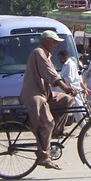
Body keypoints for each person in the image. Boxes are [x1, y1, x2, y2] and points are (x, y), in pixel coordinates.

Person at [19, 30, 77, 170]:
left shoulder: (47, 55)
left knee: (68, 100)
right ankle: (44, 156)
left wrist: (68, 88)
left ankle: (56, 131)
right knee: (47, 122)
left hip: (46, 93)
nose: (56, 44)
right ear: (46, 41)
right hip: (35, 94)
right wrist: (64, 86)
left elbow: (54, 74)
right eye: (54, 41)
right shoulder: (38, 52)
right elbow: (50, 74)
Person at [57, 49, 83, 123]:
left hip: (72, 90)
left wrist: (58, 78)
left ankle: (84, 127)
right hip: (68, 91)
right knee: (73, 110)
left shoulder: (69, 65)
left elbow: (69, 79)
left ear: (66, 56)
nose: (60, 61)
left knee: (78, 110)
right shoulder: (66, 64)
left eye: (61, 59)